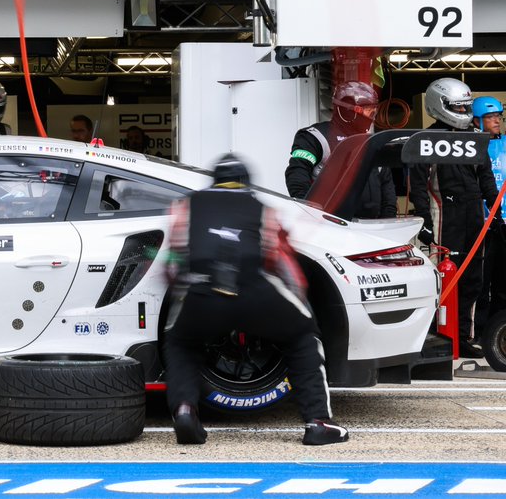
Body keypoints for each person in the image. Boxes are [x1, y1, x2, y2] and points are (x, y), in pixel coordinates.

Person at [161, 153, 348, 446]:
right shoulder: (264, 209)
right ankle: (318, 423)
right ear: (247, 183)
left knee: (180, 342)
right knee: (303, 335)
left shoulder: (185, 205)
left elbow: (172, 265)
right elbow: (287, 267)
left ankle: (185, 412)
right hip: (256, 289)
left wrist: (186, 304)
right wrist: (297, 307)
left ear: (215, 180)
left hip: (201, 290)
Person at [409, 77, 500, 359]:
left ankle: (463, 336)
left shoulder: (475, 139)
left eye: (465, 108)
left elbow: (486, 179)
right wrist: (424, 219)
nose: (464, 113)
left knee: (473, 278)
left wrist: (494, 213)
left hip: (473, 212)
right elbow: (418, 185)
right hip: (441, 212)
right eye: (457, 108)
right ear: (440, 106)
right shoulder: (425, 140)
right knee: (439, 276)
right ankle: (433, 336)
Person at [284, 81, 396, 219]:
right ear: (348, 110)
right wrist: (310, 214)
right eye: (368, 111)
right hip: (330, 227)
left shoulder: (372, 143)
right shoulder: (316, 137)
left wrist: (387, 222)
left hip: (371, 229)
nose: (371, 117)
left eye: (374, 111)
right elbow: (297, 173)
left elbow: (387, 186)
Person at [474, 96, 506, 346]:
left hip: (504, 222)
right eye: (490, 116)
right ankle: (480, 330)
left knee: (503, 281)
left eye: (498, 116)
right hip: (482, 223)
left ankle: (499, 331)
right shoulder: (472, 147)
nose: (496, 120)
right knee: (481, 282)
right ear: (477, 120)